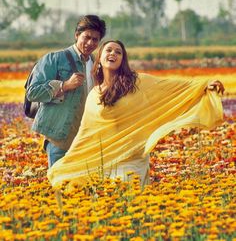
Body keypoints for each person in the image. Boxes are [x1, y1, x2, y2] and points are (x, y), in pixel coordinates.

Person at [47, 40, 225, 187]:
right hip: (105, 158)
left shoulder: (137, 82)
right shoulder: (94, 94)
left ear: (122, 60)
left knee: (126, 191)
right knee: (85, 191)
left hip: (132, 155)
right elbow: (86, 133)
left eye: (118, 52)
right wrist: (70, 160)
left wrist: (204, 85)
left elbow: (172, 87)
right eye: (108, 50)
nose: (113, 54)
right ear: (99, 58)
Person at [26, 15, 106, 167]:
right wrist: (64, 85)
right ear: (77, 35)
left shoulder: (97, 63)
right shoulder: (54, 59)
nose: (90, 43)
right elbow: (33, 92)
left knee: (83, 188)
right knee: (60, 187)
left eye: (95, 39)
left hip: (87, 139)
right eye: (86, 37)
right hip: (60, 138)